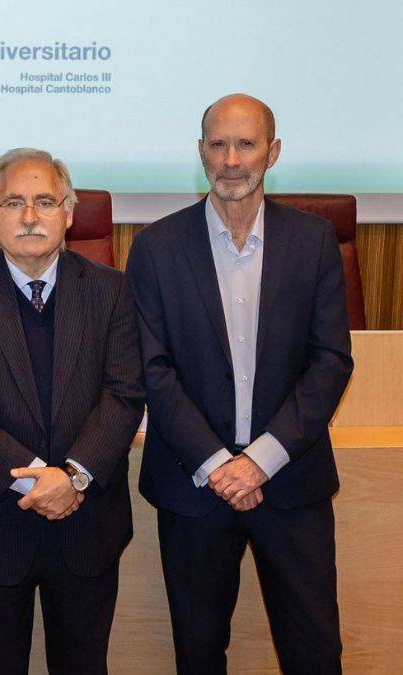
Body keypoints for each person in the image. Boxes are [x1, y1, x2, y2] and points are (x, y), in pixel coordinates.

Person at [126, 94, 353, 674]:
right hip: (194, 486)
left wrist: (259, 461)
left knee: (316, 653)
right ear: (200, 151)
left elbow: (330, 361)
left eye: (246, 144)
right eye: (219, 144)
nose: (231, 160)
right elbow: (152, 369)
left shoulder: (314, 240)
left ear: (272, 153)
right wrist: (218, 464)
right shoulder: (155, 247)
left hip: (291, 481)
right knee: (199, 655)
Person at [0, 148, 144, 674]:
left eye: (45, 201)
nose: (29, 216)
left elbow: (124, 394)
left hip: (86, 523)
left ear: (68, 214)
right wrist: (38, 481)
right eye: (13, 202)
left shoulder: (112, 291)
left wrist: (73, 478)